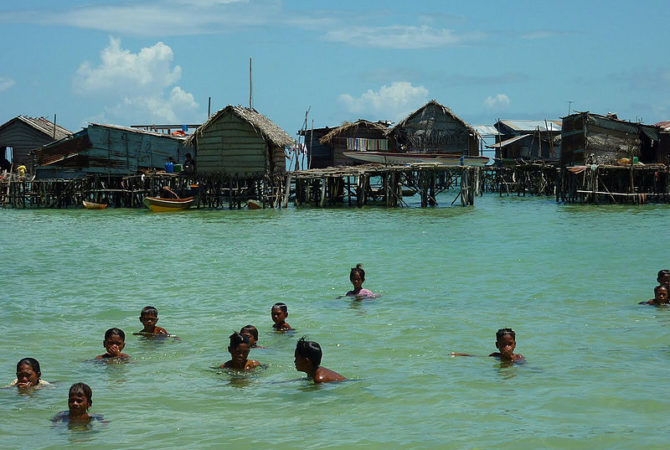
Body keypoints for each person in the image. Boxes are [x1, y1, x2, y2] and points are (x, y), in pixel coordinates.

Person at [451, 328, 525, 363]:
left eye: (510, 344)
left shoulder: (518, 357)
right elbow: (477, 357)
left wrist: (510, 357)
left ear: (515, 344)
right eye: (503, 344)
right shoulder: (495, 355)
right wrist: (458, 354)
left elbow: (523, 366)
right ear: (497, 345)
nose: (507, 347)